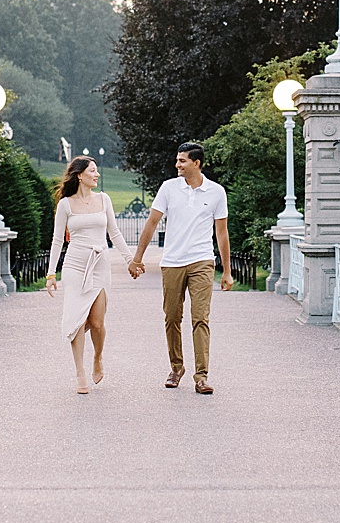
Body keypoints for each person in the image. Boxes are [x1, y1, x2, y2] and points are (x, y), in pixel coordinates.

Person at [129, 142, 232, 394]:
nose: (177, 165)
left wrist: (227, 271)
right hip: (173, 262)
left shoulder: (216, 192)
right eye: (177, 160)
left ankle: (201, 376)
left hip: (202, 261)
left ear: (196, 163)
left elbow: (221, 233)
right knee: (172, 317)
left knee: (200, 318)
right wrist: (137, 258)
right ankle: (176, 368)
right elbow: (152, 223)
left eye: (182, 161)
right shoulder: (168, 188)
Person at [46, 156, 132, 394]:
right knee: (77, 319)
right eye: (92, 171)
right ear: (79, 175)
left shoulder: (104, 199)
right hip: (74, 265)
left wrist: (130, 260)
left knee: (96, 322)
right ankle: (80, 372)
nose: (97, 175)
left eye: (96, 171)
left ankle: (98, 357)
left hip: (99, 263)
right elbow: (56, 241)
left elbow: (114, 233)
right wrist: (51, 273)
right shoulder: (65, 204)